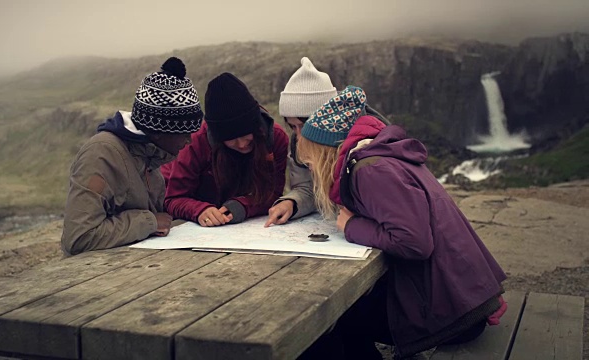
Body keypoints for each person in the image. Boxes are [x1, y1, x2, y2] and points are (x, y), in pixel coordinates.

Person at [296, 86, 507, 359]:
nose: (310, 169)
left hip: (456, 314)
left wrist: (352, 226)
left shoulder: (371, 170)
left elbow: (415, 242)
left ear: (326, 154)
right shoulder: (382, 156)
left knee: (334, 321)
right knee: (354, 310)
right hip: (462, 297)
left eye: (310, 162)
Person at [61, 57, 203, 255]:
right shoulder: (101, 155)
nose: (189, 140)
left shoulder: (152, 155)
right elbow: (79, 237)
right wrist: (149, 222)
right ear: (159, 130)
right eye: (184, 133)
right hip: (92, 278)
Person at [162, 72, 288, 227]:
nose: (242, 144)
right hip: (195, 222)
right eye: (231, 139)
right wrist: (200, 210)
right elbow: (173, 199)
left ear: (257, 127)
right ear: (218, 138)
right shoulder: (195, 143)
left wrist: (243, 206)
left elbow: (273, 193)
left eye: (247, 135)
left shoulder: (276, 138)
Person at [264, 57, 338, 227]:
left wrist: (352, 224)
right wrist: (291, 203)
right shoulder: (296, 145)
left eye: (304, 126)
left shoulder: (362, 147)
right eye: (292, 126)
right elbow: (307, 188)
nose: (299, 135)